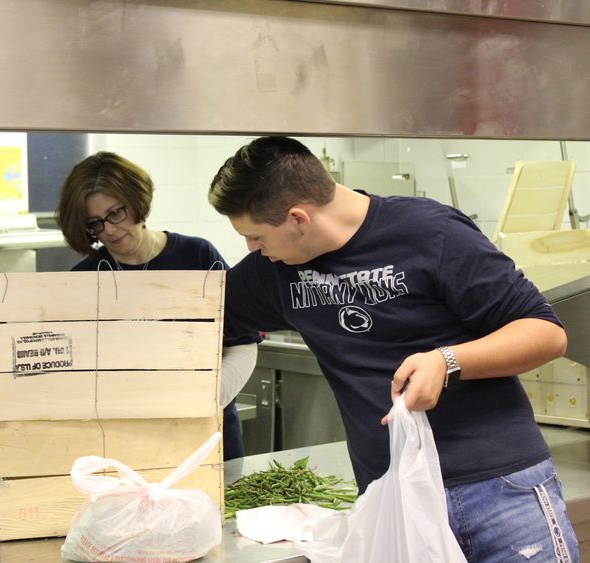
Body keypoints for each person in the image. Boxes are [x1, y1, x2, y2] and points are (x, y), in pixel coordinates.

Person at [208, 136, 579, 562]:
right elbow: (199, 322)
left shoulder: (429, 232)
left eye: (255, 237)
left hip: (499, 489)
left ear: (298, 219)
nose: (252, 250)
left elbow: (546, 333)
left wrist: (447, 361)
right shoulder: (272, 272)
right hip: (394, 500)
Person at [55, 151, 260, 461]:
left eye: (116, 213)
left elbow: (243, 345)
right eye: (95, 223)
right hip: (127, 448)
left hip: (208, 438)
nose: (108, 230)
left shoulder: (197, 256)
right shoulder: (85, 280)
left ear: (137, 200)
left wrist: (204, 401)